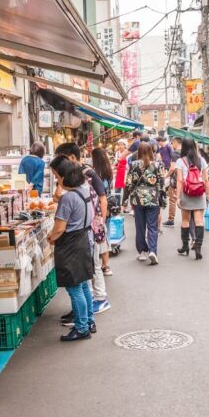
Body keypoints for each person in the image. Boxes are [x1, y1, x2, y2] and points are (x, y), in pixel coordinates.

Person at [54, 142, 111, 316]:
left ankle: (100, 300)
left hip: (90, 227)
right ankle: (86, 313)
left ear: (71, 157)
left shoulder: (87, 174)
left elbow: (103, 198)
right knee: (86, 272)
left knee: (92, 265)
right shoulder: (77, 177)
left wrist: (101, 222)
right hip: (87, 226)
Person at [47, 157, 95, 341]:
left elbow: (59, 228)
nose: (58, 180)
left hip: (70, 246)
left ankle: (82, 328)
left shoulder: (68, 198)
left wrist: (51, 238)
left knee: (75, 289)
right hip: (83, 240)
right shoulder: (84, 191)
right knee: (83, 285)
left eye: (58, 177)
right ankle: (89, 321)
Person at [124, 142, 165, 265]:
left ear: (139, 152)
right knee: (153, 226)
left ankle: (142, 252)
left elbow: (129, 183)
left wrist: (129, 195)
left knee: (140, 226)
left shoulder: (133, 164)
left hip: (138, 199)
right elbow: (161, 184)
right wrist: (161, 198)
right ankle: (153, 251)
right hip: (152, 199)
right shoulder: (157, 165)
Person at [175, 138, 209, 260]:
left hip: (186, 192)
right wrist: (208, 195)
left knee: (185, 221)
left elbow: (179, 180)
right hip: (200, 193)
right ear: (195, 146)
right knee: (199, 221)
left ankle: (185, 246)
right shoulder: (202, 160)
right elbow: (206, 180)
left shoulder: (180, 161)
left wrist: (178, 197)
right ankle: (198, 247)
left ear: (183, 147)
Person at [92, 146, 115, 276]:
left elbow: (101, 195)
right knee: (105, 234)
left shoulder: (95, 174)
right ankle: (105, 265)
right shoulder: (108, 171)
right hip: (107, 207)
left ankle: (103, 265)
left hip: (99, 208)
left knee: (99, 235)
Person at [163, 136, 182, 227]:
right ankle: (186, 220)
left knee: (172, 200)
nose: (172, 145)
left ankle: (171, 220)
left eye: (172, 143)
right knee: (184, 199)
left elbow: (172, 168)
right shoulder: (187, 152)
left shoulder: (175, 153)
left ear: (175, 142)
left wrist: (166, 176)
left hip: (175, 179)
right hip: (185, 179)